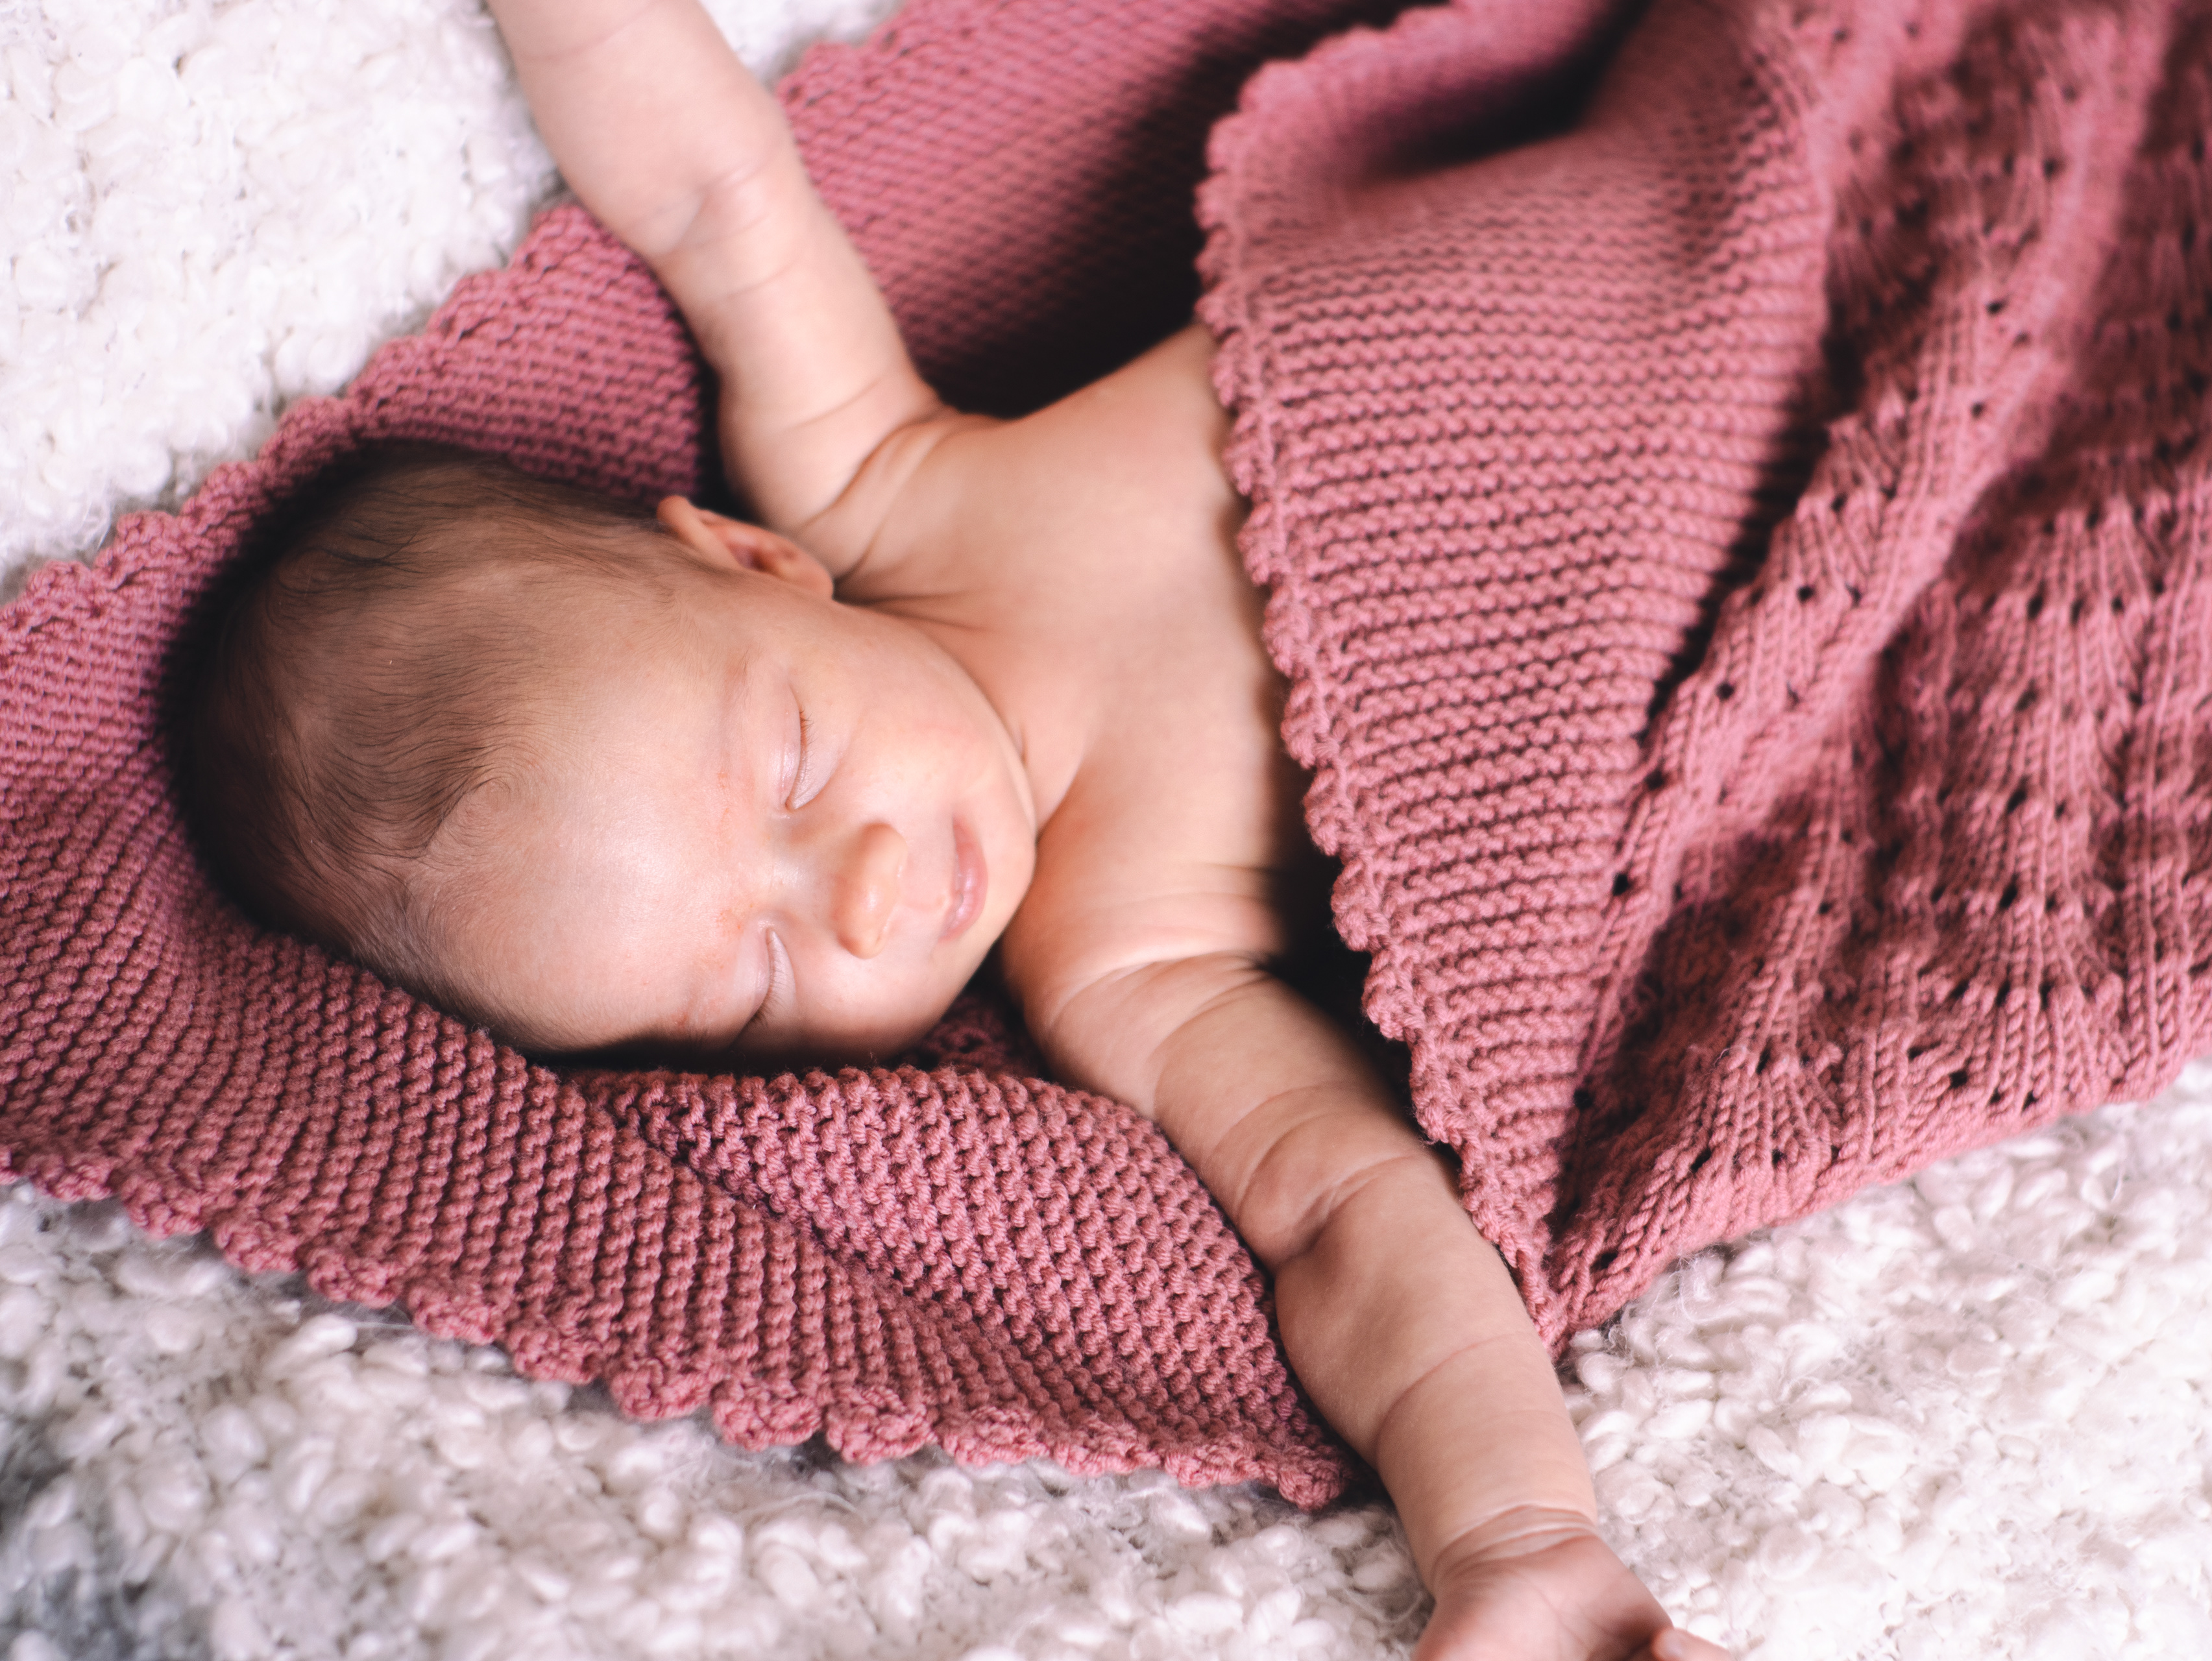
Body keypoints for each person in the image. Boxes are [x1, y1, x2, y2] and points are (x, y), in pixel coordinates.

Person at [180, 3, 1732, 1655]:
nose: (862, 892)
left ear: (758, 561)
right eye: (757, 977)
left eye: (793, 760)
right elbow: (1349, 1213)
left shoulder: (876, 477)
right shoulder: (1130, 968)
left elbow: (712, 192)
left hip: (1644, 206)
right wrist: (1516, 1532)